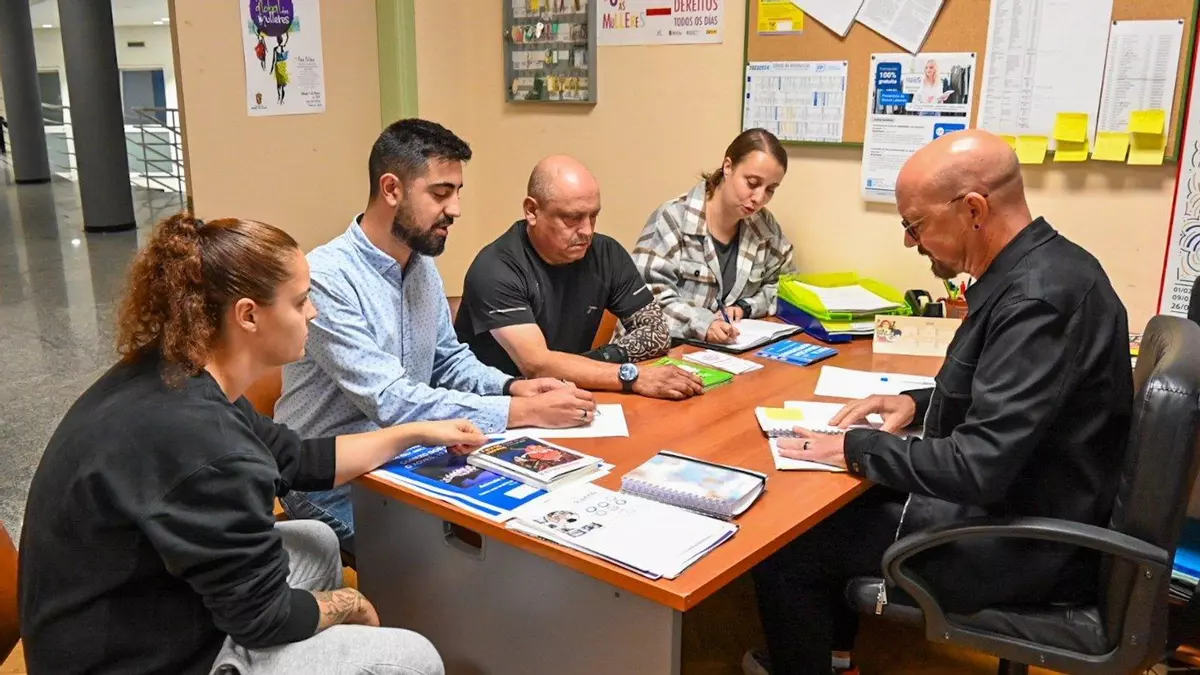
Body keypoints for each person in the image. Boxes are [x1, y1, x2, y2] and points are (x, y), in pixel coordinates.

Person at [18, 214, 488, 675]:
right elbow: (265, 617)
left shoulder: (182, 373)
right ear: (248, 315)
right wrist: (349, 603)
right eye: (300, 302)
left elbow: (298, 459)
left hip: (139, 601)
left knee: (316, 540)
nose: (313, 313)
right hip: (133, 657)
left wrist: (416, 432)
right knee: (411, 657)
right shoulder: (205, 444)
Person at [742, 129, 1133, 675]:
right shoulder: (1047, 269)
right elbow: (1012, 400)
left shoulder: (1038, 300)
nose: (911, 242)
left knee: (790, 544)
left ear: (973, 209)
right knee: (837, 508)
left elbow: (976, 467)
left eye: (915, 225)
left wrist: (854, 447)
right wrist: (915, 403)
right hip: (1029, 506)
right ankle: (833, 656)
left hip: (1021, 543)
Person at [275, 120, 594, 553]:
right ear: (391, 189)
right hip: (331, 482)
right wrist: (521, 411)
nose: (455, 209)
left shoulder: (421, 265)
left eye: (458, 192)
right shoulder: (329, 279)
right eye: (441, 193)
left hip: (407, 460)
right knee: (446, 560)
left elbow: (447, 360)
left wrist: (511, 386)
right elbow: (392, 401)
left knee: (534, 526)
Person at [454, 155, 704, 399]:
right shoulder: (495, 268)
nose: (587, 231)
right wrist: (630, 376)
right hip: (498, 404)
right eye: (572, 218)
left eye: (593, 216)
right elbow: (537, 366)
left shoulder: (607, 254)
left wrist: (587, 365)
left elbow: (656, 333)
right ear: (532, 211)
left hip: (571, 395)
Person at [632, 128, 796, 345]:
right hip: (658, 350)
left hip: (721, 354)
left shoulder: (764, 226)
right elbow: (644, 301)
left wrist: (747, 307)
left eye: (770, 190)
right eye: (752, 183)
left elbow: (787, 287)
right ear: (728, 167)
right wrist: (704, 324)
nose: (759, 198)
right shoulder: (673, 219)